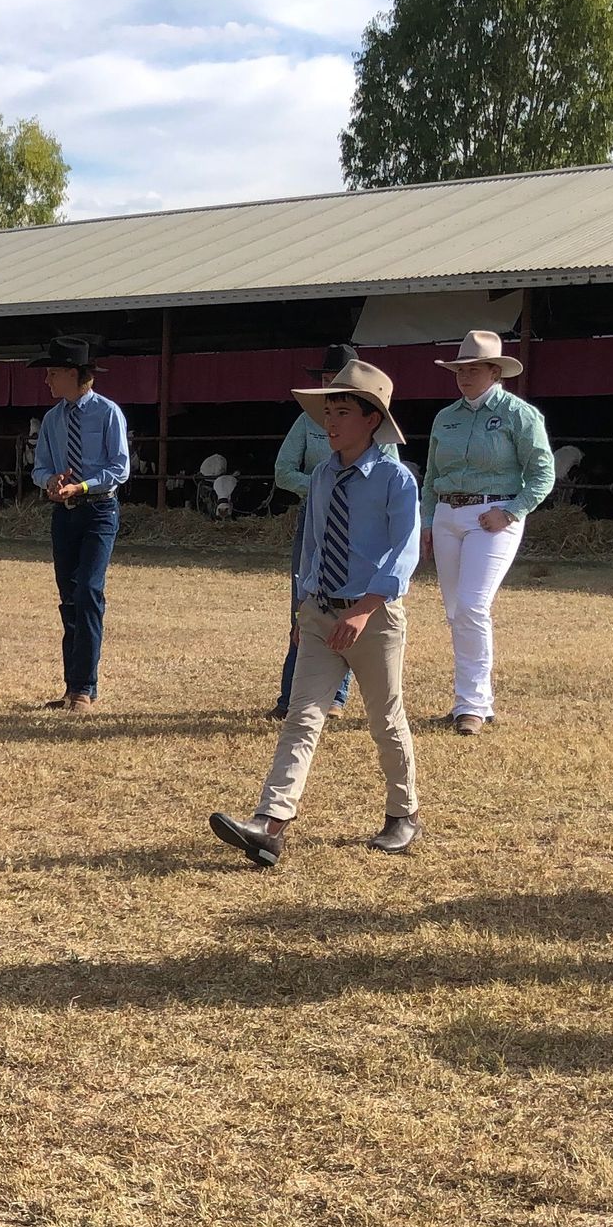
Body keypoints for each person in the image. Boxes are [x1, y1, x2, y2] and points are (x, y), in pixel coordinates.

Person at [210, 361, 422, 869]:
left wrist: (366, 610)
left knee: (384, 719)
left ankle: (403, 813)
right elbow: (312, 546)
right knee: (301, 717)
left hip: (374, 619)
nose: (329, 422)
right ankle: (269, 825)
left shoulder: (396, 479)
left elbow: (404, 553)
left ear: (372, 419)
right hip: (320, 614)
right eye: (327, 412)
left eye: (342, 412)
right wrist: (303, 608)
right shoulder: (323, 475)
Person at [421, 329, 556, 734]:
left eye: (473, 368)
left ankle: (473, 705)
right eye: (460, 369)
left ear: (495, 371)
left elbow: (542, 473)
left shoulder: (519, 414)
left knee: (472, 607)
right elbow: (431, 477)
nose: (464, 376)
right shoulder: (445, 418)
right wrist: (428, 522)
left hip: (492, 516)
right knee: (455, 611)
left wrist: (512, 511)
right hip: (447, 514)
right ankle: (468, 698)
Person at [269, 342, 401, 721]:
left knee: (347, 601)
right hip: (316, 518)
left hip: (362, 529)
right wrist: (325, 486)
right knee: (306, 603)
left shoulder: (384, 448)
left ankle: (335, 698)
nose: (331, 388)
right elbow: (283, 471)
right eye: (327, 380)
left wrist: (347, 487)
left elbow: (385, 479)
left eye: (338, 381)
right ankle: (292, 697)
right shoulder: (305, 423)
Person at [29, 335, 128, 711]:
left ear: (73, 374)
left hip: (99, 510)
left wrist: (81, 485)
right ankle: (73, 687)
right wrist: (50, 482)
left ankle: (85, 687)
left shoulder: (108, 413)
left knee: (88, 591)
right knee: (70, 599)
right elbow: (40, 466)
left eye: (53, 373)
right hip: (64, 514)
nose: (47, 381)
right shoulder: (53, 420)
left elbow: (119, 468)